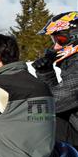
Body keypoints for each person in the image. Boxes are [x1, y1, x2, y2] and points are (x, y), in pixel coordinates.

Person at [31, 12, 78, 147]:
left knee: (34, 116)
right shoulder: (73, 63)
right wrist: (45, 72)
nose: (56, 47)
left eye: (60, 40)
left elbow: (55, 101)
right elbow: (59, 97)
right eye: (54, 40)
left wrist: (17, 106)